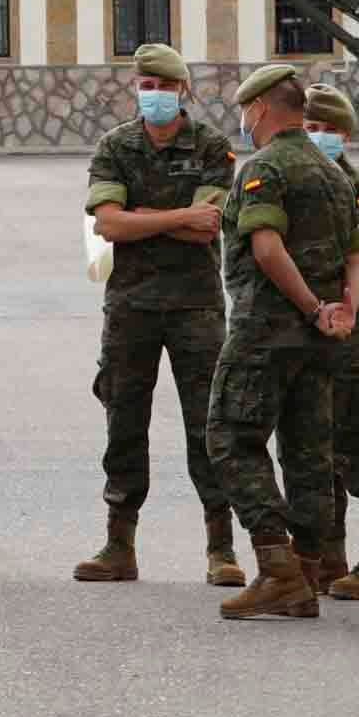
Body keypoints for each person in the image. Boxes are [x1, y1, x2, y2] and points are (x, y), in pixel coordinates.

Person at [204, 64, 359, 622]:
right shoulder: (333, 172)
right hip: (320, 340)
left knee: (229, 437)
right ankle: (310, 568)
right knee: (307, 453)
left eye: (246, 111)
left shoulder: (266, 169)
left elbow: (268, 249)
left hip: (266, 332)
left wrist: (311, 307)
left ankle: (277, 567)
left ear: (261, 109)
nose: (244, 121)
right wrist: (343, 310)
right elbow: (356, 253)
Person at [77, 43, 241, 588]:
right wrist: (173, 217)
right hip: (131, 307)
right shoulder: (116, 146)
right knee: (124, 422)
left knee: (208, 425)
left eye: (163, 87)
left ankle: (221, 548)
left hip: (196, 306)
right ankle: (118, 545)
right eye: (144, 87)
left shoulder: (213, 146)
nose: (153, 96)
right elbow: (107, 226)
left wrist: (140, 216)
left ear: (183, 91)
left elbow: (207, 227)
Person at [301, 86, 359, 599]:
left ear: (345, 135)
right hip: (309, 337)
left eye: (328, 130)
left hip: (347, 339)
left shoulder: (358, 192)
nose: (317, 137)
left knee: (356, 450)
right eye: (309, 127)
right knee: (318, 452)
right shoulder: (302, 181)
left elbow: (349, 270)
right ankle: (330, 557)